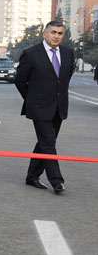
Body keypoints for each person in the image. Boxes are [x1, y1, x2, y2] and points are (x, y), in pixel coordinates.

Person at [15, 20, 75, 194]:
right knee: (48, 142)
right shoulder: (31, 53)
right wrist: (32, 99)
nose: (56, 36)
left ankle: (32, 176)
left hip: (59, 106)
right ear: (45, 33)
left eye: (60, 33)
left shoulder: (68, 53)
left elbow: (64, 79)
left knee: (46, 142)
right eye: (53, 32)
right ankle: (57, 181)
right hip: (39, 107)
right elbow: (20, 80)